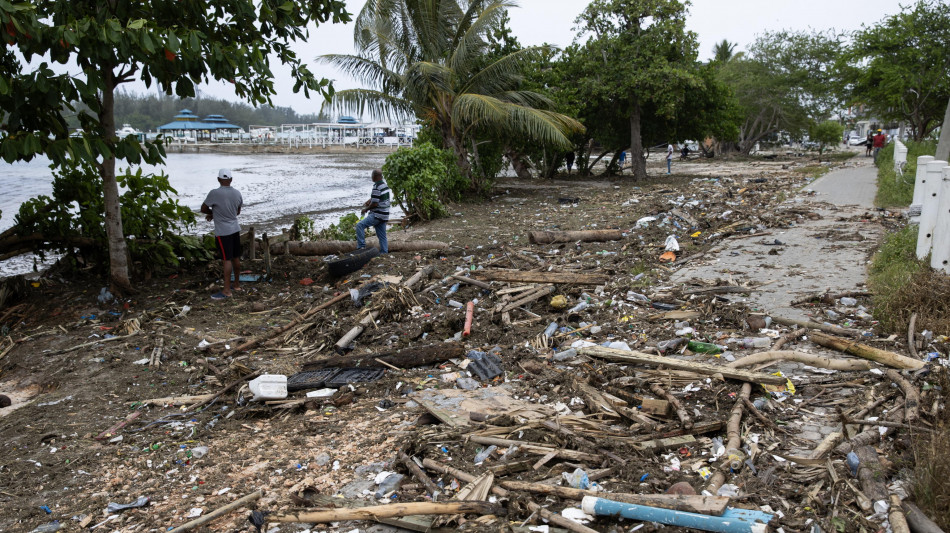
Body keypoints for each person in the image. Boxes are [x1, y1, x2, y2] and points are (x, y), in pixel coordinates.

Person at [201, 169, 243, 300]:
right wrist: (217, 213)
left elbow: (203, 208)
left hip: (223, 232)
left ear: (219, 179)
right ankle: (236, 285)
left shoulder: (214, 193)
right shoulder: (237, 193)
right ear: (231, 179)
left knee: (226, 259)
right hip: (235, 229)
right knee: (235, 257)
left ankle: (226, 291)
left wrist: (212, 213)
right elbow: (237, 212)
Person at [356, 168, 390, 254]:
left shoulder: (376, 186)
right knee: (382, 236)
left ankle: (361, 247)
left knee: (359, 225)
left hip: (377, 215)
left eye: (372, 176)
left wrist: (366, 209)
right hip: (384, 215)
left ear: (375, 176)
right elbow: (378, 197)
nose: (371, 177)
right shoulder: (384, 185)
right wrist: (370, 199)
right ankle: (384, 253)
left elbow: (375, 204)